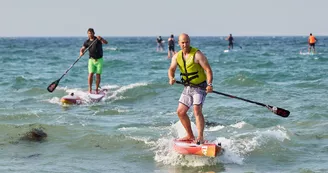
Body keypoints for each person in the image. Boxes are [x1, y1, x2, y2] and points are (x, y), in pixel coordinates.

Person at [168, 33, 213, 144]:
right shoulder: (176, 56)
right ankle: (190, 135)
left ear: (189, 42)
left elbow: (208, 70)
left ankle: (200, 137)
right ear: (178, 43)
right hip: (188, 88)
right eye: (182, 42)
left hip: (200, 87)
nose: (185, 44)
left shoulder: (197, 54)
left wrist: (209, 84)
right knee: (180, 112)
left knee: (197, 109)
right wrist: (171, 78)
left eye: (187, 42)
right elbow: (171, 69)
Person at [80, 28, 108, 94]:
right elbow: (83, 48)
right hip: (91, 60)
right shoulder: (86, 42)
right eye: (89, 33)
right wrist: (81, 52)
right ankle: (90, 89)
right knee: (90, 74)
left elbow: (106, 42)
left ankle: (96, 89)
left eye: (91, 33)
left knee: (98, 75)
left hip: (99, 60)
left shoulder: (97, 39)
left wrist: (101, 39)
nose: (90, 34)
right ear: (87, 34)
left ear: (94, 33)